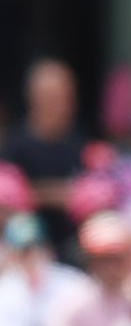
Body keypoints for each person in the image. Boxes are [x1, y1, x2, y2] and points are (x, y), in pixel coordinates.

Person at [2, 60, 84, 261]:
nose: (63, 104)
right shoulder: (14, 146)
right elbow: (7, 199)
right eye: (53, 97)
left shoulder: (80, 143)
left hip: (75, 249)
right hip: (24, 251)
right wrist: (58, 194)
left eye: (67, 96)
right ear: (35, 98)